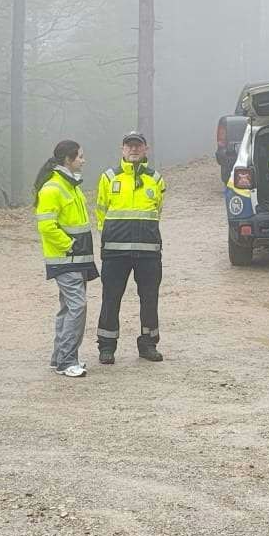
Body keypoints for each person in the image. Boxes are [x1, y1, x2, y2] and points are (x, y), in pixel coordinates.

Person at [95, 131, 166, 365]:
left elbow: (158, 210)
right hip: (115, 252)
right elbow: (101, 211)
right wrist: (108, 238)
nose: (134, 149)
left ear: (146, 149)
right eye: (129, 146)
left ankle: (148, 344)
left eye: (138, 145)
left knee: (150, 299)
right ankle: (107, 347)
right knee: (111, 298)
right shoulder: (109, 178)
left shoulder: (156, 179)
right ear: (122, 149)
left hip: (149, 252)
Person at [34, 140, 97, 377]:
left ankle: (59, 357)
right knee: (77, 306)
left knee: (68, 307)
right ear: (68, 160)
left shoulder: (71, 186)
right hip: (65, 259)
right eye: (80, 156)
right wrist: (69, 245)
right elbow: (46, 226)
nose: (83, 160)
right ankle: (67, 361)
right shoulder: (52, 188)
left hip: (76, 259)